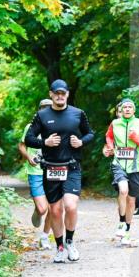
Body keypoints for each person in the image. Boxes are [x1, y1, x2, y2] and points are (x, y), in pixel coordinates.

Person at [23, 80, 94, 263]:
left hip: (71, 166)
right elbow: (28, 139)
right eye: (56, 93)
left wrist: (81, 142)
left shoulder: (78, 114)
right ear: (51, 94)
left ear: (67, 95)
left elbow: (90, 133)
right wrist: (44, 143)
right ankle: (60, 247)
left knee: (70, 206)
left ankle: (70, 242)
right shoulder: (42, 115)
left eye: (63, 93)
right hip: (50, 167)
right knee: (55, 211)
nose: (60, 96)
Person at [102, 99, 139, 246]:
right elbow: (108, 136)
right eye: (125, 107)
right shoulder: (115, 123)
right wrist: (110, 146)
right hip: (119, 164)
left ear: (134, 110)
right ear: (121, 110)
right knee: (123, 190)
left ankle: (127, 231)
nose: (128, 109)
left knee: (131, 201)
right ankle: (122, 223)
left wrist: (135, 138)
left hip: (135, 167)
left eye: (130, 107)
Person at [18, 98, 56, 249]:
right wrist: (28, 157)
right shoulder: (30, 127)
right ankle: (38, 211)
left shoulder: (58, 126)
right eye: (43, 108)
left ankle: (45, 237)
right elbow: (21, 146)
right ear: (39, 110)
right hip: (35, 171)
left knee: (54, 208)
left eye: (49, 108)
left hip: (54, 171)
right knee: (42, 209)